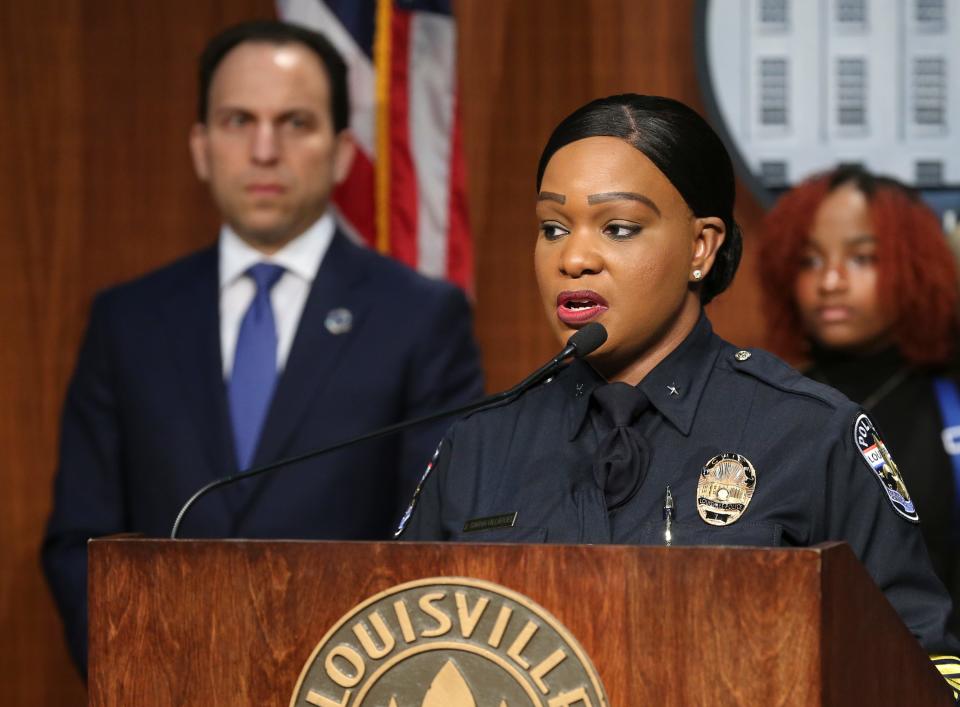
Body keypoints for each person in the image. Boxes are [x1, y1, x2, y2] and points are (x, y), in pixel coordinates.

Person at [398, 94, 960, 692]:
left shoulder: (810, 434)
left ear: (701, 247)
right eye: (552, 228)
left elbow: (921, 668)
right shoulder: (479, 444)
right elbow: (397, 653)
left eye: (618, 227)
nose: (574, 258)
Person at [42, 20, 484, 676]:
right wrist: (141, 671)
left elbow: (436, 546)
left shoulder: (420, 318)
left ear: (340, 152)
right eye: (237, 120)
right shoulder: (126, 320)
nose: (265, 149)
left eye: (295, 122)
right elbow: (79, 541)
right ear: (200, 146)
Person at [757, 165, 960, 631]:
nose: (830, 281)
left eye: (862, 259)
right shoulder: (770, 404)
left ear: (915, 267)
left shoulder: (947, 401)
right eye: (809, 261)